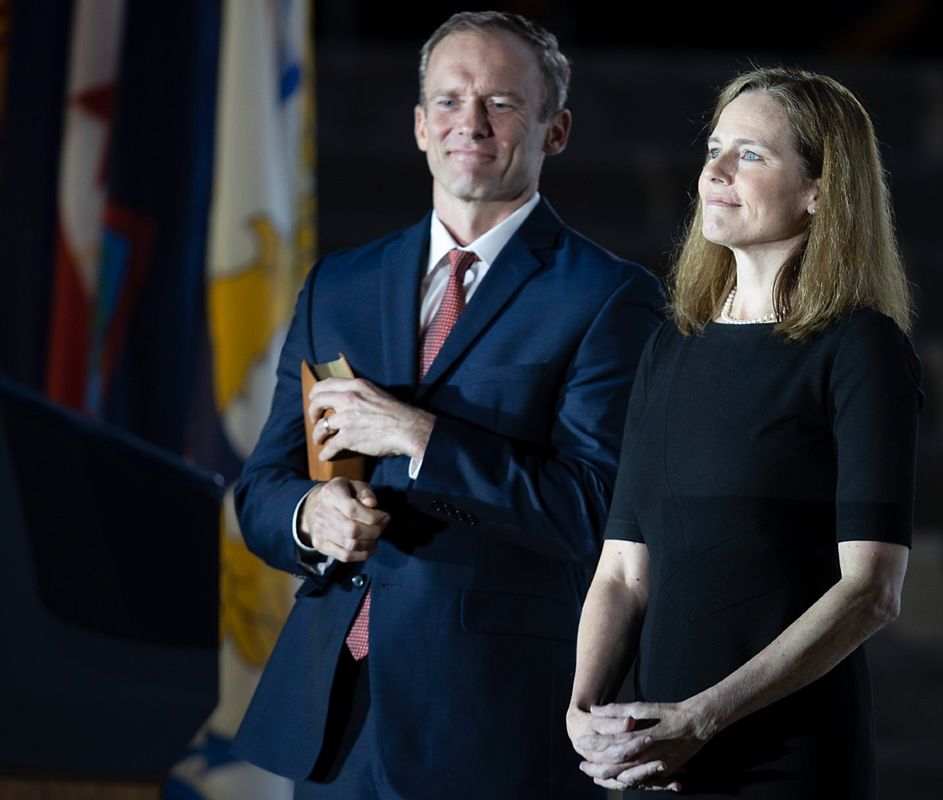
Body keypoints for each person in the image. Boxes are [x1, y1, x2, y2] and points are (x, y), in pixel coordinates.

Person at [231, 11, 663, 798]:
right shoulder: (341, 284)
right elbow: (262, 484)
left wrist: (419, 435)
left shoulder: (610, 298)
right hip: (339, 713)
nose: (471, 122)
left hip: (491, 721)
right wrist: (309, 515)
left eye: (501, 102)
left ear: (554, 130)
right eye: (449, 101)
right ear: (421, 126)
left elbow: (593, 509)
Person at [565, 67, 923, 798]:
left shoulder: (859, 347)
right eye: (715, 148)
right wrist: (583, 711)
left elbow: (870, 592)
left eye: (751, 155)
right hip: (653, 757)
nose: (715, 171)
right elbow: (624, 572)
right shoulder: (673, 345)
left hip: (784, 758)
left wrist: (702, 720)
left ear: (822, 190)